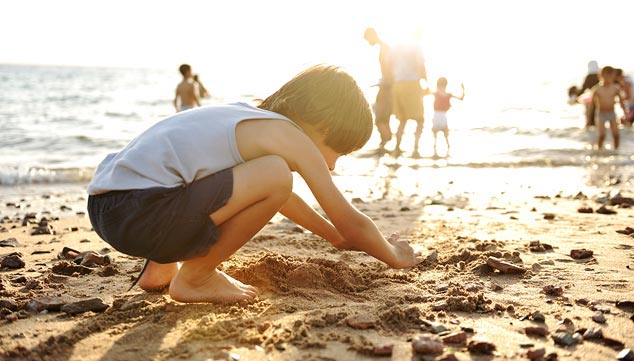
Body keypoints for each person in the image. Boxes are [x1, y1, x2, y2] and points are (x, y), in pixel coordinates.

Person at [86, 65, 424, 304]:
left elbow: (280, 197)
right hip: (143, 212)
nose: (333, 165)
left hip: (107, 206)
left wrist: (333, 237)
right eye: (338, 151)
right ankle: (197, 277)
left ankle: (159, 270)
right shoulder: (288, 137)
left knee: (255, 176)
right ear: (322, 124)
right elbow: (346, 217)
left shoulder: (246, 119)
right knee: (277, 173)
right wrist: (394, 255)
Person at [390, 41, 427, 157]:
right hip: (412, 84)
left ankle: (397, 148)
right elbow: (421, 65)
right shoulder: (416, 45)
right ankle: (415, 149)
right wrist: (426, 82)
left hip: (397, 84)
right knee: (420, 119)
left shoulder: (396, 45)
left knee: (402, 119)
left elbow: (389, 64)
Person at [364, 28, 393, 151]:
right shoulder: (384, 48)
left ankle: (385, 143)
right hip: (386, 85)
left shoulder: (385, 49)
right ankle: (386, 144)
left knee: (380, 118)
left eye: (367, 39)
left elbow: (389, 69)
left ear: (372, 35)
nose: (368, 42)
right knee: (382, 117)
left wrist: (384, 83)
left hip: (387, 87)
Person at [592, 66, 626, 149]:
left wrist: (625, 113)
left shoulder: (615, 88)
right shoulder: (597, 89)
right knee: (602, 135)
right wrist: (589, 119)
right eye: (606, 77)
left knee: (616, 135)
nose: (608, 79)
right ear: (601, 76)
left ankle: (616, 150)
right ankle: (598, 149)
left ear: (614, 77)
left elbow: (621, 102)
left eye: (611, 77)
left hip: (612, 113)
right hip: (601, 114)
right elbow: (592, 105)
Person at [430, 77, 465, 157]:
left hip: (436, 116)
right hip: (442, 116)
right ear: (446, 85)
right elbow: (461, 98)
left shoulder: (436, 93)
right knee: (445, 135)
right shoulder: (448, 95)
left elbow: (425, 93)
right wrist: (463, 89)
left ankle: (435, 151)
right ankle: (447, 150)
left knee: (436, 135)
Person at [577, 60, 600, 127]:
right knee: (598, 115)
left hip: (592, 98)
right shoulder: (600, 75)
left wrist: (577, 96)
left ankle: (591, 125)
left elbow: (583, 89)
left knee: (590, 114)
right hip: (601, 98)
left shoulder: (589, 77)